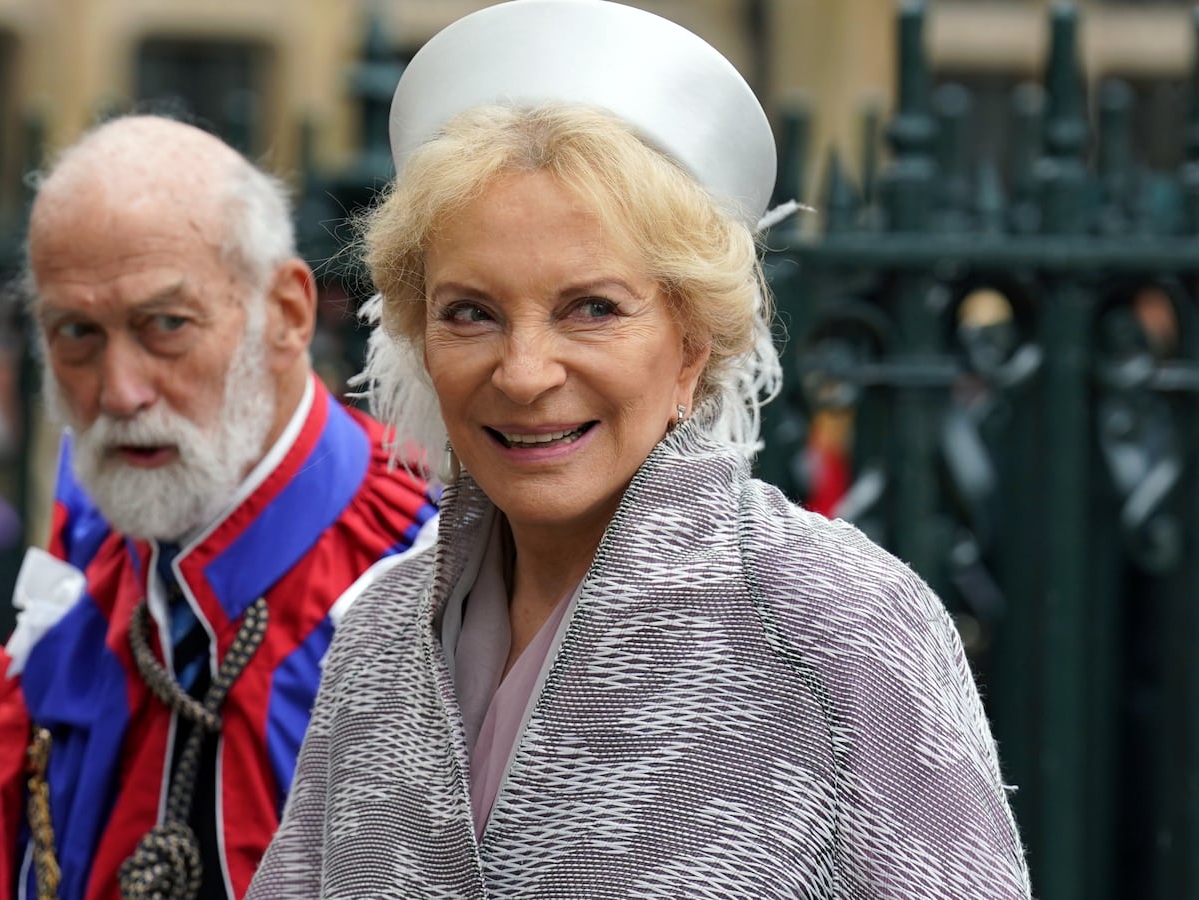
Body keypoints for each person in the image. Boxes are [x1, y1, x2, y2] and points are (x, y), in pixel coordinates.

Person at [250, 1, 1032, 897]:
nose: (524, 372)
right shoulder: (381, 635)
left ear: (693, 342)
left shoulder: (841, 626)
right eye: (472, 312)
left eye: (593, 309)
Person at [0, 115, 438, 900]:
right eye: (77, 333)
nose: (119, 390)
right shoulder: (83, 576)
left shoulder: (431, 570)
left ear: (286, 315)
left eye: (166, 326)